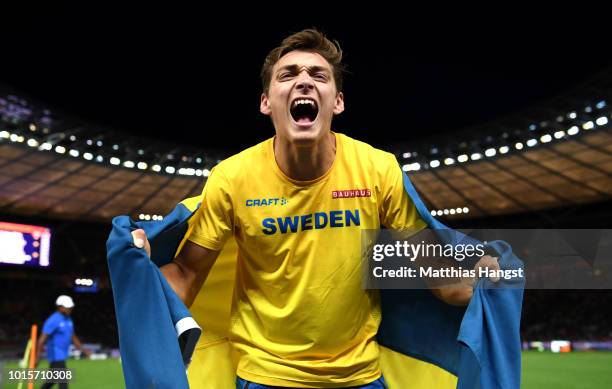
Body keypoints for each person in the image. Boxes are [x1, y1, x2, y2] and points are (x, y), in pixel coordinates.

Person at [132, 28, 499, 388]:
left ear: (336, 101)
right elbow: (186, 274)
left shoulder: (377, 170)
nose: (304, 81)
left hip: (358, 377)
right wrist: (139, 267)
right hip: (266, 375)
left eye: (318, 75)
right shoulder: (233, 178)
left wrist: (493, 277)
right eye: (288, 75)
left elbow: (439, 277)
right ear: (266, 102)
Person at [36, 295, 91, 389]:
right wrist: (37, 356)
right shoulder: (53, 320)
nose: (70, 309)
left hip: (62, 354)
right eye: (67, 307)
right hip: (55, 355)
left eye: (71, 307)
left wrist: (83, 350)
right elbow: (42, 339)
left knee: (52, 380)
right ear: (60, 307)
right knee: (63, 382)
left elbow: (73, 336)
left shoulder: (68, 319)